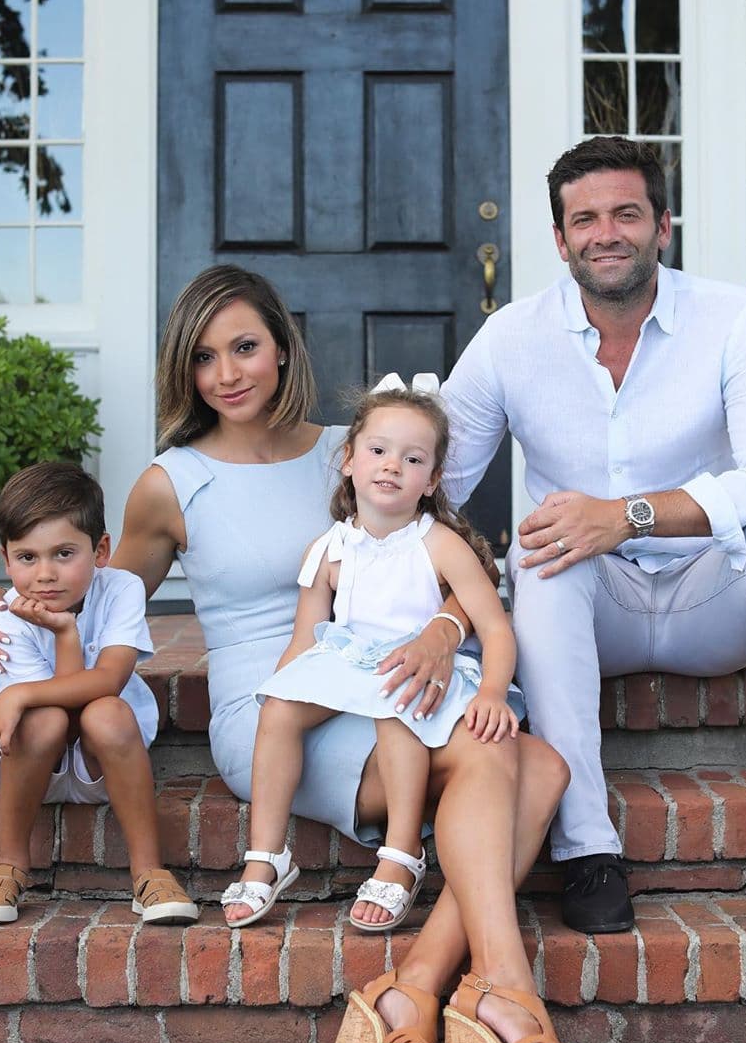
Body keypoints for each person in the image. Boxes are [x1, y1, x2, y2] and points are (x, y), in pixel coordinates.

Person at [0, 266, 599, 1043]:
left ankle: (411, 991)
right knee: (501, 761)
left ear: (282, 348)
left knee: (544, 766)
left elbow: (456, 566)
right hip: (276, 708)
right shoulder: (171, 481)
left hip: (387, 675)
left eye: (244, 348)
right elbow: (92, 587)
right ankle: (501, 995)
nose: (226, 374)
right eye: (203, 358)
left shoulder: (360, 446)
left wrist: (443, 632)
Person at [441, 135, 746, 935]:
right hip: (591, 611)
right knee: (545, 559)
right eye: (585, 220)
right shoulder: (511, 339)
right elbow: (433, 484)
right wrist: (446, 606)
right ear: (560, 240)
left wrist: (627, 514)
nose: (607, 234)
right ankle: (587, 850)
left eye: (626, 214)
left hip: (716, 594)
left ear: (663, 226)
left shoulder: (731, 317)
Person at [222, 376, 524, 934]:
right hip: (349, 659)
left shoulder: (439, 544)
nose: (391, 466)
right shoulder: (329, 548)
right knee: (280, 707)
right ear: (348, 460)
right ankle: (266, 855)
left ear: (432, 480)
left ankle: (402, 853)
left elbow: (495, 628)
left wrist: (492, 692)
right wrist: (280, 692)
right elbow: (306, 638)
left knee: (395, 703)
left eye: (412, 459)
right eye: (378, 450)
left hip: (411, 667)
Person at [0, 460, 198, 926]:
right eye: (27, 558)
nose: (45, 574)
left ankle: (149, 872)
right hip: (30, 760)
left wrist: (23, 685)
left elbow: (108, 680)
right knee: (45, 718)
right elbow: (59, 715)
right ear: (6, 560)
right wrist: (61, 637)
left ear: (101, 550)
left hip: (102, 759)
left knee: (107, 711)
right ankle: (8, 864)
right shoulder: (6, 615)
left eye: (64, 553)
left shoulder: (122, 589)